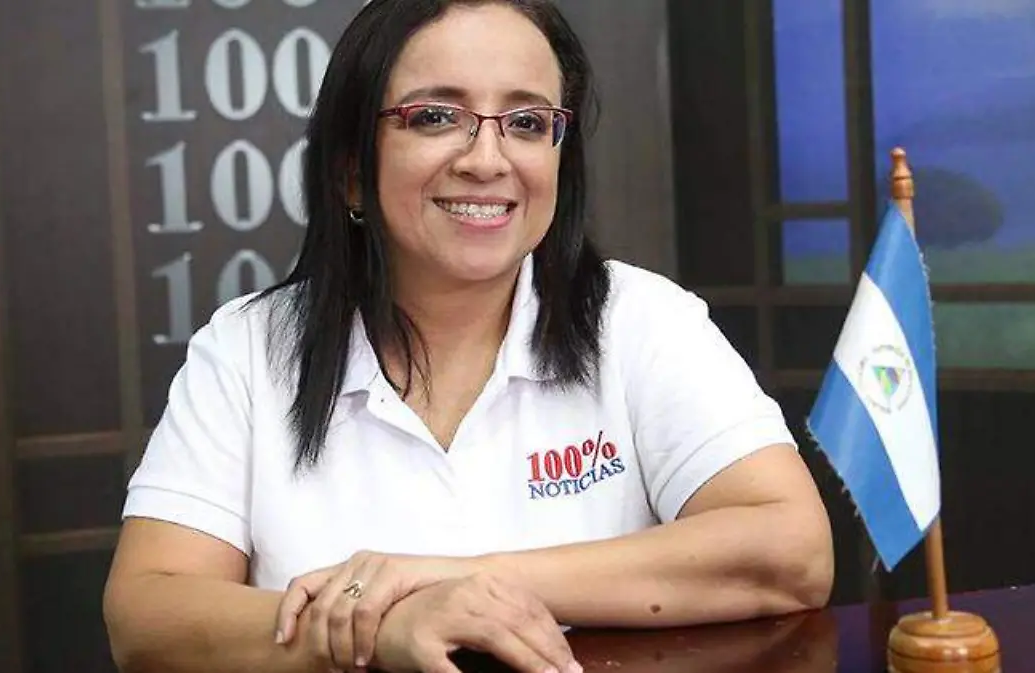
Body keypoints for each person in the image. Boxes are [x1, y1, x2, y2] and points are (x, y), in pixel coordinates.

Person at [102, 0, 834, 671]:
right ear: (351, 171)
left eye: (527, 122)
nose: (487, 159)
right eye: (434, 117)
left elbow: (791, 552)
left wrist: (460, 581)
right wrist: (382, 629)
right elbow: (146, 614)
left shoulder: (639, 319)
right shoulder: (249, 349)